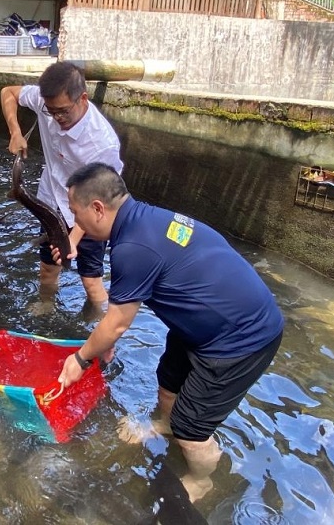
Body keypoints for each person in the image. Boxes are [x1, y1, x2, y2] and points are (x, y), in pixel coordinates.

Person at [56, 163, 284, 503]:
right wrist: (105, 342)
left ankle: (201, 478)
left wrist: (79, 358)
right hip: (201, 322)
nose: (76, 223)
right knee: (169, 381)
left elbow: (117, 321)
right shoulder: (147, 219)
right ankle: (163, 424)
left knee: (192, 430)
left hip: (240, 338)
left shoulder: (132, 247)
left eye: (76, 213)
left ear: (98, 208)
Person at [0, 62, 123, 307]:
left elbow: (103, 197)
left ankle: (101, 333)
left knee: (91, 281)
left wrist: (72, 241)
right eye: (51, 111)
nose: (57, 118)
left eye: (64, 111)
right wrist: (15, 131)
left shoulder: (102, 143)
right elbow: (8, 93)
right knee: (47, 269)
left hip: (91, 210)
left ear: (83, 99)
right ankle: (45, 312)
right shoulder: (45, 103)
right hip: (51, 201)